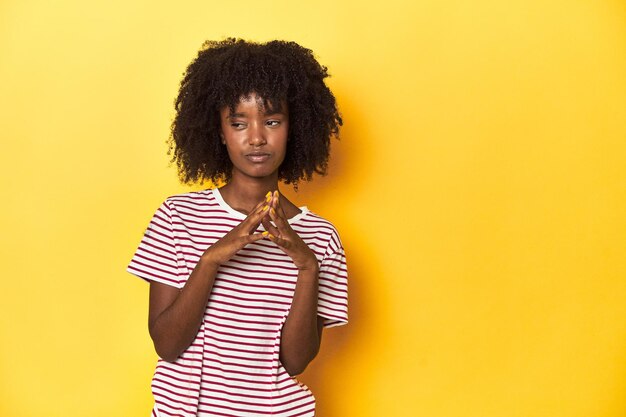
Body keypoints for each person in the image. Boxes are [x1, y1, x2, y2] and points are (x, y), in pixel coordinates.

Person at [126, 38, 348, 417]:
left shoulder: (320, 237)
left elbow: (295, 362)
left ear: (295, 128)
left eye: (273, 121)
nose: (257, 137)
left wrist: (307, 266)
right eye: (239, 123)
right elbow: (166, 344)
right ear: (219, 132)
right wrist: (211, 259)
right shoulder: (177, 217)